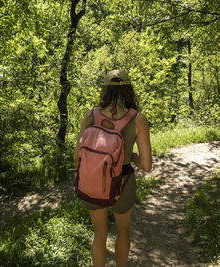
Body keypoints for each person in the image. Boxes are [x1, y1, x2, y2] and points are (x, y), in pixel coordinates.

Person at [74, 69, 152, 267]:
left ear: (105, 90)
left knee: (99, 233)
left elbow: (77, 158)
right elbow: (147, 166)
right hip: (123, 182)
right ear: (129, 91)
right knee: (123, 231)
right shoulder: (138, 119)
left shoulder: (90, 116)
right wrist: (133, 158)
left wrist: (91, 174)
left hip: (92, 181)